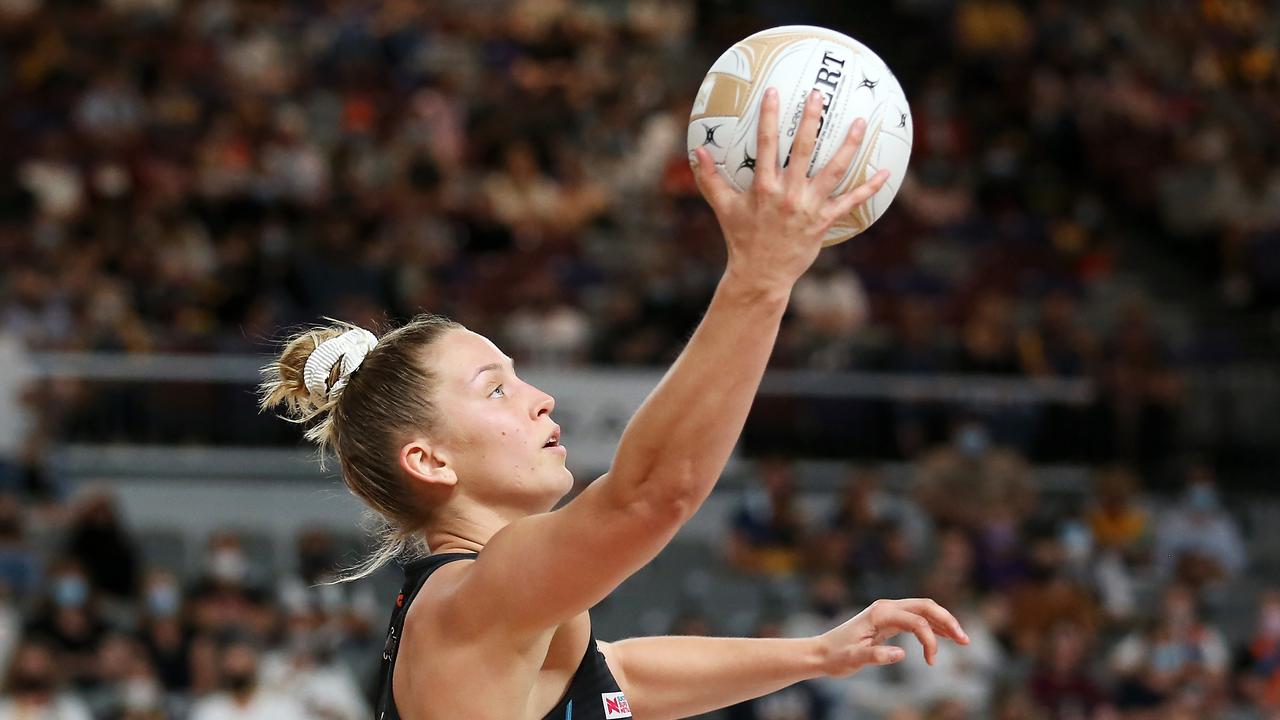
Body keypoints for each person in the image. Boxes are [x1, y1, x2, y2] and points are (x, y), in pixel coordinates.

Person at [260, 88, 969, 720]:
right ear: (429, 459)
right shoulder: (468, 601)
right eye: (497, 388)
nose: (540, 399)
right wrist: (761, 278)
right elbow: (651, 497)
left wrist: (816, 655)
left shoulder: (509, 612)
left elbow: (617, 677)